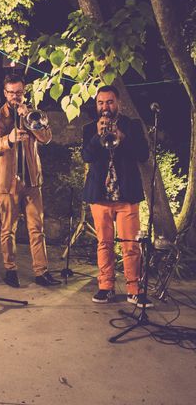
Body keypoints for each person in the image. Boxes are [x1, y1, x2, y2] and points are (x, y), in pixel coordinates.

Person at [0, 74, 60, 287]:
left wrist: (29, 118)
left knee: (37, 228)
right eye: (11, 92)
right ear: (5, 93)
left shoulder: (32, 114)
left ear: (24, 92)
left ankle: (41, 272)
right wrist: (8, 139)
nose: (15, 97)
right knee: (8, 229)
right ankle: (10, 269)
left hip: (32, 181)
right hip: (7, 183)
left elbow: (46, 138)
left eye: (19, 92)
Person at [81, 85, 151, 307]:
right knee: (105, 243)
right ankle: (106, 286)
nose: (105, 107)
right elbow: (87, 157)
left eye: (109, 102)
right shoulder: (89, 128)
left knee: (130, 245)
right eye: (101, 103)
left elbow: (143, 154)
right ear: (97, 105)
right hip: (100, 196)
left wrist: (122, 137)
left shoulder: (132, 126)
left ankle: (134, 289)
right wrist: (96, 137)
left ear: (118, 102)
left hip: (126, 195)